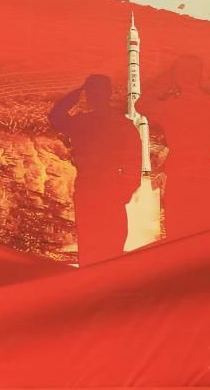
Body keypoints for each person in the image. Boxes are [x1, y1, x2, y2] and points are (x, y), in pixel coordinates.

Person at [140, 56, 210, 239]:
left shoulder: (173, 107)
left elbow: (142, 104)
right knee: (207, 234)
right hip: (206, 176)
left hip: (181, 176)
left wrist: (168, 77)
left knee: (179, 233)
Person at [49, 75, 143, 265]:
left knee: (92, 246)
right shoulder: (121, 125)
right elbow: (133, 165)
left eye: (94, 92)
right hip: (105, 189)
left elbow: (56, 116)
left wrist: (77, 93)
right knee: (110, 247)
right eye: (93, 92)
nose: (94, 96)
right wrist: (124, 192)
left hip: (92, 189)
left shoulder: (83, 123)